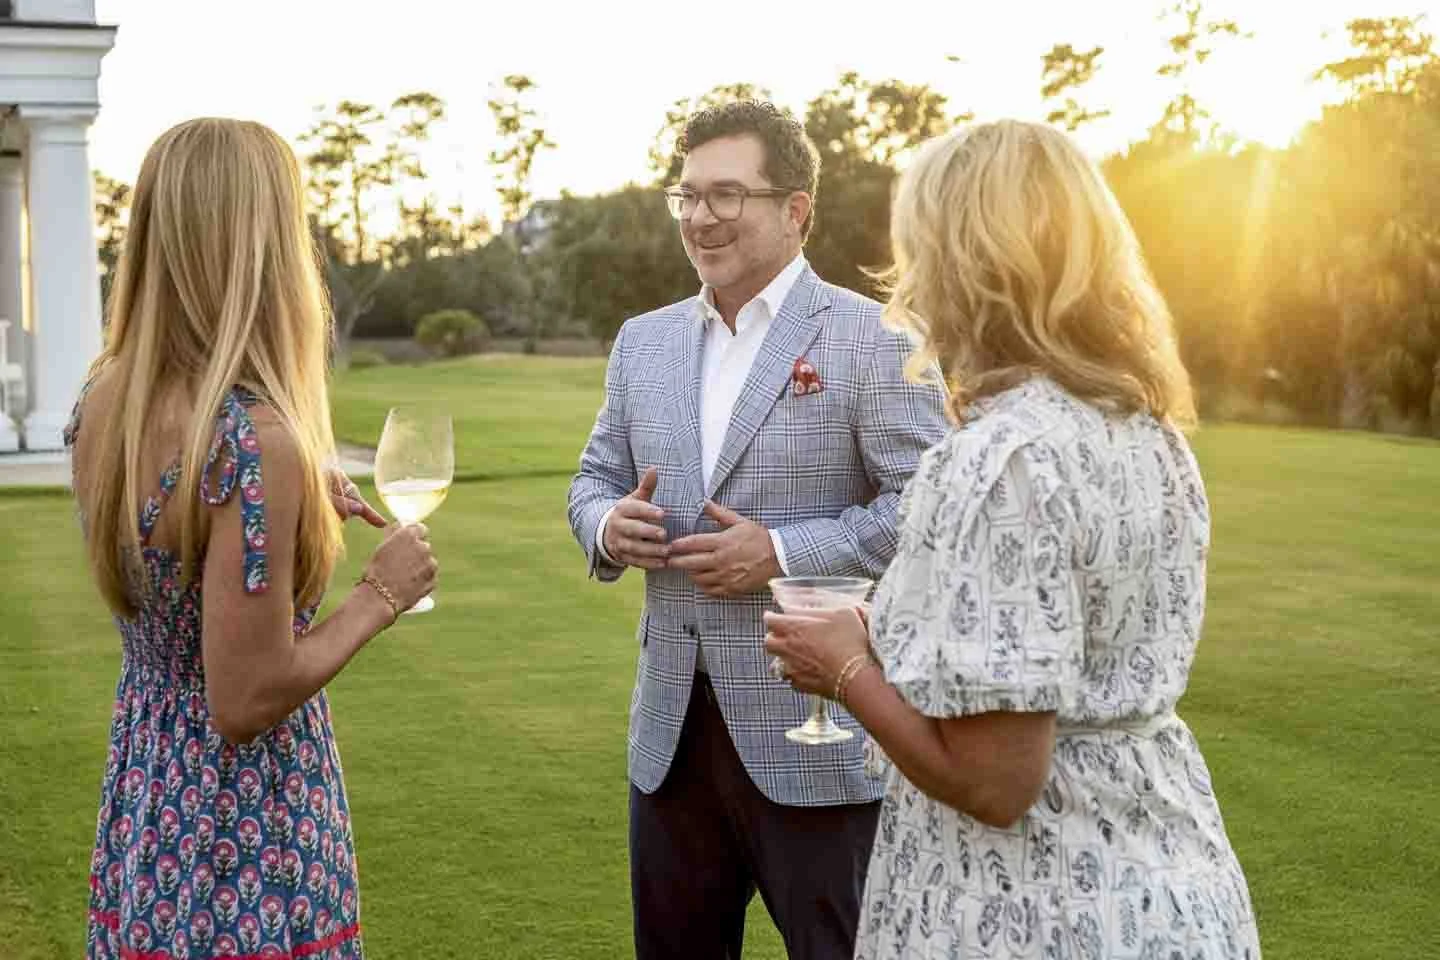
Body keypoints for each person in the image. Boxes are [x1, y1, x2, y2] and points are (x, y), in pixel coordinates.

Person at [764, 120, 1261, 959]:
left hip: (1033, 908)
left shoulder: (1005, 464)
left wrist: (844, 669)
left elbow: (996, 783)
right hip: (1173, 890)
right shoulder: (1149, 434)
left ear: (958, 263)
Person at [566, 99, 948, 959]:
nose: (702, 217)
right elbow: (591, 480)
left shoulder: (873, 338)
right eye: (689, 196)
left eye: (727, 195)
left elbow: (932, 507)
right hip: (669, 738)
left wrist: (778, 553)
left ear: (795, 210)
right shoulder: (643, 343)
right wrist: (607, 526)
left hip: (820, 730)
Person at [65, 117, 438, 959]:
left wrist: (299, 494)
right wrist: (381, 595)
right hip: (247, 827)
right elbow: (244, 700)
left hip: (151, 799)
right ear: (263, 244)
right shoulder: (251, 437)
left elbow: (172, 544)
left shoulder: (104, 401)